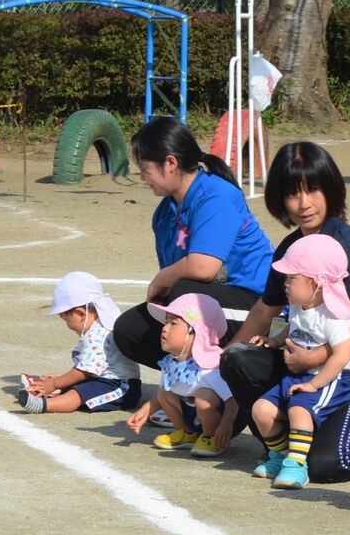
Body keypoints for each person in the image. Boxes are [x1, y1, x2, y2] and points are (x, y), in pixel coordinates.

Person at [221, 141, 350, 485]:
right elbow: (264, 310)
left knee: (329, 464)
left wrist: (315, 356)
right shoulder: (291, 247)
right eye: (292, 193)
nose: (304, 204)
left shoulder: (349, 249)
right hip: (302, 370)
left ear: (330, 188)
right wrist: (220, 378)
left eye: (313, 189)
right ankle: (281, 447)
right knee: (238, 358)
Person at [112, 116, 274, 375]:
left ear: (170, 163)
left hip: (261, 306)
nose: (143, 178)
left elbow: (203, 267)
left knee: (184, 295)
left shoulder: (217, 195)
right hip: (211, 302)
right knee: (129, 329)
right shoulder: (165, 213)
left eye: (145, 169)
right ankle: (185, 384)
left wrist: (159, 280)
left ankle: (208, 385)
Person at [248, 233, 350, 490]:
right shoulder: (298, 306)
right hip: (296, 377)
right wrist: (274, 341)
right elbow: (293, 329)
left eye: (292, 278)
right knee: (261, 410)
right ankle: (280, 456)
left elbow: (342, 354)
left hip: (327, 379)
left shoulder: (333, 316)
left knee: (299, 410)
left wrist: (315, 384)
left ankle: (297, 464)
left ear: (317, 283)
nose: (285, 283)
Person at [126, 293, 239, 457]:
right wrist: (145, 410)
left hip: (224, 420)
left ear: (196, 332)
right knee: (164, 392)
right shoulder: (172, 361)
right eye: (166, 322)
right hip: (195, 413)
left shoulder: (210, 365)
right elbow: (163, 392)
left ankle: (211, 437)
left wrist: (227, 424)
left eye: (173, 323)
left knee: (203, 398)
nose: (164, 328)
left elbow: (233, 398)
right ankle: (187, 434)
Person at [17, 272, 143, 415]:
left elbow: (83, 372)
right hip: (103, 379)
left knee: (78, 394)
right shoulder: (101, 324)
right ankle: (46, 390)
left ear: (81, 313)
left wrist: (55, 383)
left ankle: (44, 405)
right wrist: (59, 381)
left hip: (120, 387)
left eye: (66, 319)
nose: (67, 325)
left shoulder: (98, 335)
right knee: (72, 385)